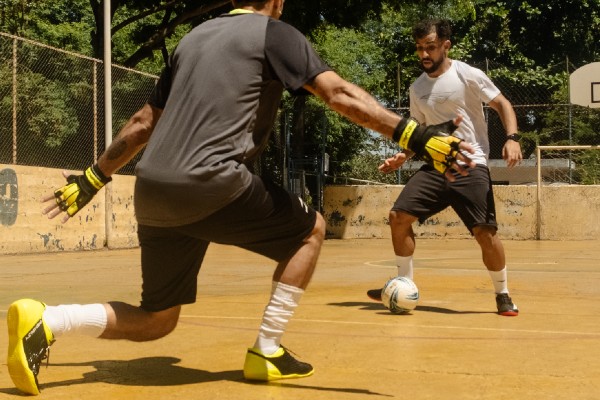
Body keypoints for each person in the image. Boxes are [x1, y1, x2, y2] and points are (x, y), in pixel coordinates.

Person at [7, 2, 475, 395]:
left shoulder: (193, 39)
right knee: (310, 230)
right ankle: (267, 351)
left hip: (153, 190)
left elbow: (142, 123)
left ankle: (47, 319)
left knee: (157, 320)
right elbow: (338, 94)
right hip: (215, 182)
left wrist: (93, 177)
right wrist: (413, 135)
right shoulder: (274, 34)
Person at [367, 19, 522, 316]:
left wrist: (512, 138)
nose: (424, 54)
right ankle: (403, 285)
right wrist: (404, 155)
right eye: (419, 48)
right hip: (435, 167)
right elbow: (419, 133)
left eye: (431, 47)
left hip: (470, 164)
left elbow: (502, 103)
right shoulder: (417, 88)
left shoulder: (468, 74)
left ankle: (502, 294)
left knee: (484, 232)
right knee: (398, 217)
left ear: (446, 46)